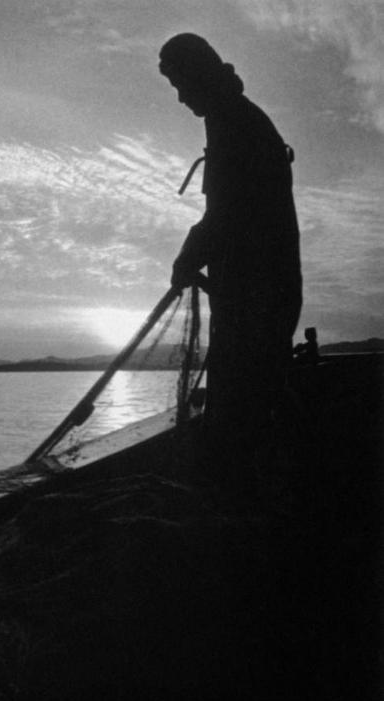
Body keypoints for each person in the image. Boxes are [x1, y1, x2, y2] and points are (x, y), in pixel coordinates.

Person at [159, 33, 302, 498]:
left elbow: (228, 213)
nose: (179, 98)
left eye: (181, 83)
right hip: (254, 294)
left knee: (242, 413)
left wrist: (188, 255)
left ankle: (245, 520)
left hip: (258, 298)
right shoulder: (232, 117)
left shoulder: (235, 123)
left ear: (200, 72)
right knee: (247, 407)